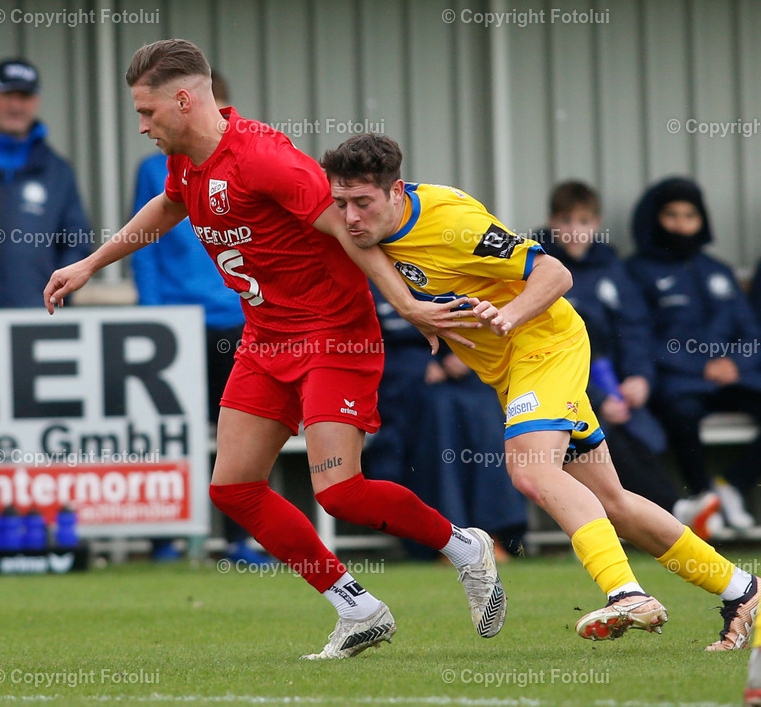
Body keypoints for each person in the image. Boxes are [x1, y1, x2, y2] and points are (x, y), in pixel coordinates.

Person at [44, 39, 506, 659]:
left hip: (332, 336)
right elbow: (167, 208)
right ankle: (357, 607)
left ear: (185, 100)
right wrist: (92, 263)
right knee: (233, 487)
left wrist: (408, 306)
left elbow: (351, 229)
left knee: (338, 492)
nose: (143, 124)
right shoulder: (189, 160)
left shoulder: (266, 159)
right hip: (265, 338)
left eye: (148, 111)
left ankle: (462, 545)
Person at [320, 133, 759, 650]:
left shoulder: (452, 226)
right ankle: (742, 590)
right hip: (511, 370)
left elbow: (556, 272)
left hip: (543, 345)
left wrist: (506, 317)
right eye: (341, 202)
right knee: (611, 502)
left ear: (396, 193)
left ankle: (625, 593)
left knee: (528, 469)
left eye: (362, 203)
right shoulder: (364, 220)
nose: (349, 217)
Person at [129, 73, 265, 565]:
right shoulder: (159, 168)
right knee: (171, 431)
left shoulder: (250, 160)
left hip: (235, 318)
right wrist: (153, 313)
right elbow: (144, 247)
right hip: (177, 325)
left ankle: (237, 542)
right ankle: (166, 538)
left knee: (236, 434)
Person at [538, 181, 721, 538]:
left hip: (616, 390)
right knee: (603, 433)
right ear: (551, 222)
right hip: (563, 391)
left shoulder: (612, 268)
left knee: (636, 426)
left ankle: (667, 512)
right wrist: (601, 398)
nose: (576, 231)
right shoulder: (540, 266)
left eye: (585, 221)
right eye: (567, 221)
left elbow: (635, 328)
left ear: (597, 222)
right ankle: (672, 510)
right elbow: (549, 346)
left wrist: (639, 377)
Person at [626, 177, 761, 534]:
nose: (681, 225)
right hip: (677, 382)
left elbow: (751, 332)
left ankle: (731, 486)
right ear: (654, 218)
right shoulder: (637, 271)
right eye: (671, 215)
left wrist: (736, 363)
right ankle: (702, 501)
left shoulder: (718, 271)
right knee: (682, 415)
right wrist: (701, 365)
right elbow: (640, 337)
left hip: (732, 377)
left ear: (702, 220)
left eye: (690, 215)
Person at [366, 287, 527, 560]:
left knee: (486, 409)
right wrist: (418, 368)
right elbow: (365, 346)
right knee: (439, 418)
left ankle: (494, 532)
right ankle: (449, 538)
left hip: (464, 382)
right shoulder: (371, 284)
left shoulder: (440, 270)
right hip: (402, 392)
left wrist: (465, 357)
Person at [0, 58, 91, 308]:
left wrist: (60, 294)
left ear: (37, 101)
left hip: (37, 317)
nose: (16, 106)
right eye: (7, 95)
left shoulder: (57, 171)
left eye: (24, 97)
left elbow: (76, 242)